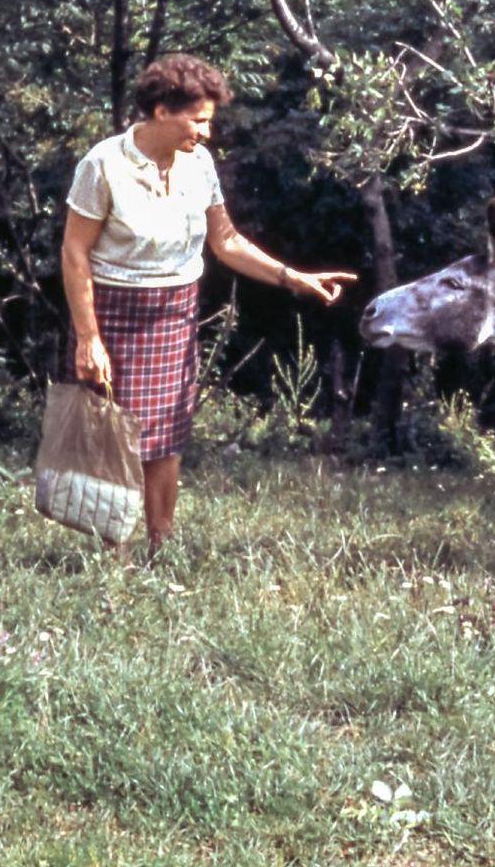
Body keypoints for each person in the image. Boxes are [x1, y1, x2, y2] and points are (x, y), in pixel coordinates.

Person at [61, 53, 357, 552]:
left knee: (166, 437)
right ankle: (111, 560)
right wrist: (89, 338)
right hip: (114, 309)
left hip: (176, 310)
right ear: (160, 110)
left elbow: (227, 242)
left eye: (208, 122)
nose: (206, 133)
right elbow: (74, 252)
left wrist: (292, 278)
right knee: (113, 437)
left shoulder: (199, 164)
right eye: (198, 120)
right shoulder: (104, 164)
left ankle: (163, 547)